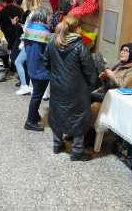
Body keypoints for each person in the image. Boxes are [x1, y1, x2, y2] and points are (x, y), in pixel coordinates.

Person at [43, 15, 97, 161]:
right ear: (78, 28)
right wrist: (92, 82)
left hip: (57, 86)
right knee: (79, 116)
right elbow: (89, 69)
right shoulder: (80, 45)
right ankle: (77, 152)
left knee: (56, 113)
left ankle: (57, 145)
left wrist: (56, 75)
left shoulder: (52, 42)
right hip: (77, 88)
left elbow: (46, 62)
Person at [23, 6, 51, 132]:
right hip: (41, 69)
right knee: (37, 96)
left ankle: (34, 115)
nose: (49, 18)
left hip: (31, 65)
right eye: (48, 16)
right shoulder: (44, 32)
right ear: (44, 16)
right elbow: (48, 52)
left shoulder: (29, 28)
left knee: (36, 93)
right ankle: (30, 121)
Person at [12, 0, 43, 93]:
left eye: (28, 4)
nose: (27, 5)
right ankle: (30, 86)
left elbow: (28, 29)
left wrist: (22, 26)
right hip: (35, 41)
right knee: (31, 63)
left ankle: (24, 85)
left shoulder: (32, 15)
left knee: (18, 62)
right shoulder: (41, 13)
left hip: (30, 41)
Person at [0, 0, 22, 69]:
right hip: (16, 31)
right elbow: (20, 19)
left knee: (5, 49)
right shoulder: (18, 9)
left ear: (5, 2)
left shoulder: (3, 10)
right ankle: (13, 66)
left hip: (6, 32)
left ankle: (6, 64)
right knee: (14, 48)